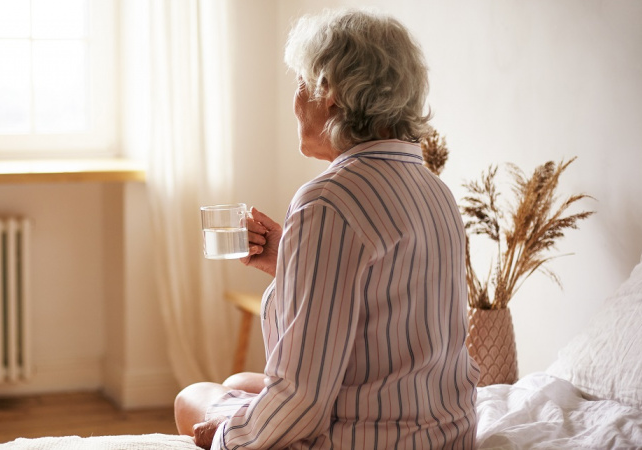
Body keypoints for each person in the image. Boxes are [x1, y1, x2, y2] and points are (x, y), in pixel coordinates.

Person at [175, 8, 479, 449]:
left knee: (193, 397)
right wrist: (290, 260)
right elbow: (386, 299)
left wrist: (228, 437)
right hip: (446, 433)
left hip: (370, 439)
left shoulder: (328, 200)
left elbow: (302, 395)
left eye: (300, 85)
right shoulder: (435, 190)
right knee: (241, 379)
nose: (295, 102)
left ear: (329, 92)